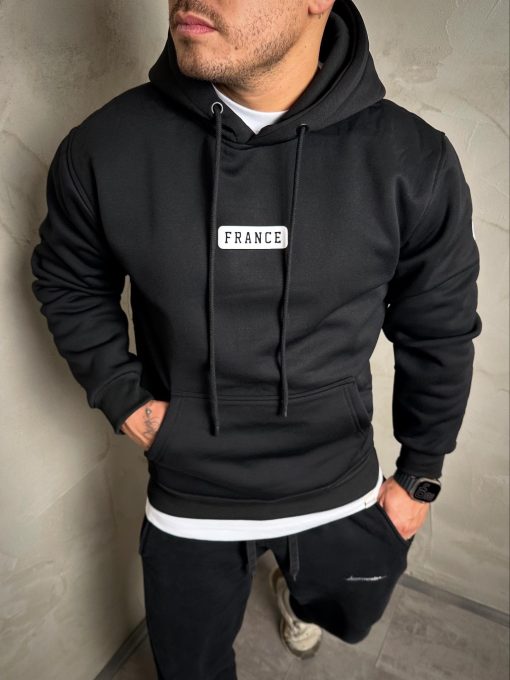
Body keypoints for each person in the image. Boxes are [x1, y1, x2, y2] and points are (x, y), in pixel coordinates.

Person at [30, 0, 482, 678]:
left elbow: (438, 326)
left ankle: (298, 592)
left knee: (347, 611)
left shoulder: (411, 159)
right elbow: (69, 281)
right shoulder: (106, 146)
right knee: (188, 667)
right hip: (191, 488)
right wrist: (129, 403)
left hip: (337, 480)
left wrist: (420, 475)